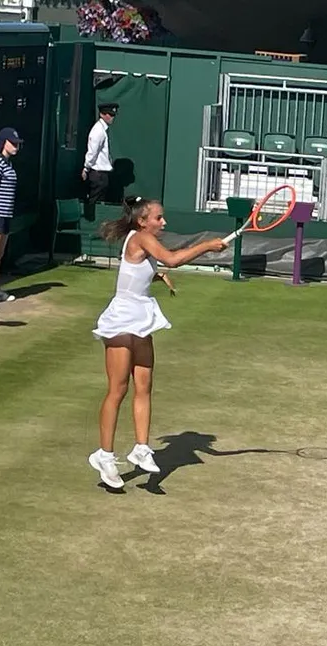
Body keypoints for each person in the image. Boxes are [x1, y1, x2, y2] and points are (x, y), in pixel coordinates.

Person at [87, 196, 227, 489]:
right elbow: (172, 259)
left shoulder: (143, 240)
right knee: (118, 389)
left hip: (141, 316)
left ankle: (141, 448)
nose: (163, 222)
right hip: (122, 318)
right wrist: (206, 246)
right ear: (142, 221)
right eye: (158, 218)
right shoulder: (140, 237)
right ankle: (104, 455)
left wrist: (157, 275)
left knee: (144, 384)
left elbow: (141, 271)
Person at [0, 127, 22, 308]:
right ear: (3, 143)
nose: (16, 146)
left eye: (17, 144)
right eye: (12, 143)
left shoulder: (9, 165)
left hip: (5, 215)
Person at [83, 102, 118, 219]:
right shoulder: (98, 131)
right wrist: (86, 168)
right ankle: (91, 223)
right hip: (97, 174)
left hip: (102, 174)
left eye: (113, 115)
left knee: (100, 203)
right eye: (110, 114)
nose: (112, 117)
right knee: (95, 202)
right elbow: (92, 152)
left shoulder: (103, 130)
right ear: (102, 114)